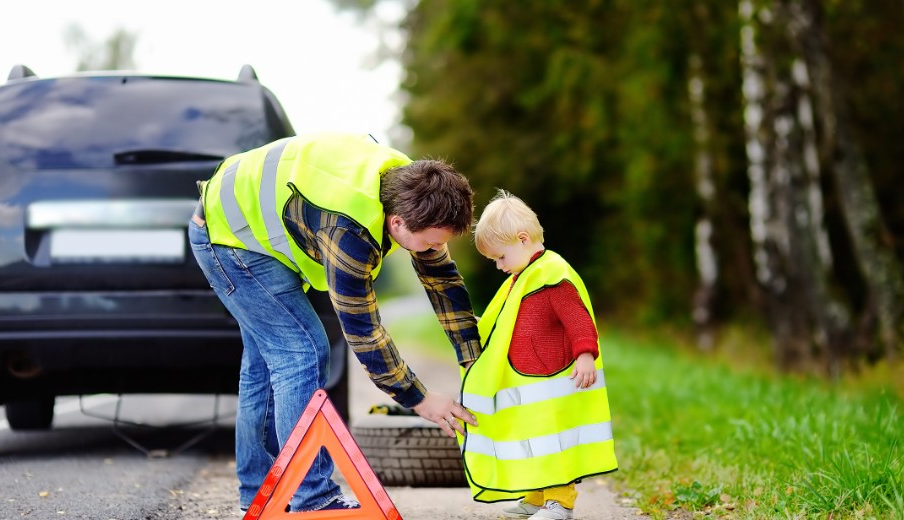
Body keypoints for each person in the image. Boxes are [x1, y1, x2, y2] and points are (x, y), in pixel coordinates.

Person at [188, 132, 482, 513]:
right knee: (302, 352)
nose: (433, 251)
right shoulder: (348, 231)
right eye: (428, 243)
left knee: (265, 363)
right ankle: (313, 499)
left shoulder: (413, 189)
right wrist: (419, 398)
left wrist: (472, 359)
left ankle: (258, 497)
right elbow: (363, 330)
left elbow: (442, 281)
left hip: (241, 222)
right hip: (227, 237)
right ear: (397, 222)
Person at [461, 190, 617, 520]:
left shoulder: (552, 275)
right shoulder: (521, 278)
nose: (499, 266)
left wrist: (586, 354)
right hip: (530, 384)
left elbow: (578, 318)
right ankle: (535, 498)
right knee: (535, 442)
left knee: (556, 444)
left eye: (500, 257)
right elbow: (503, 322)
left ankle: (560, 503)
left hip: (556, 381)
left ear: (522, 239)